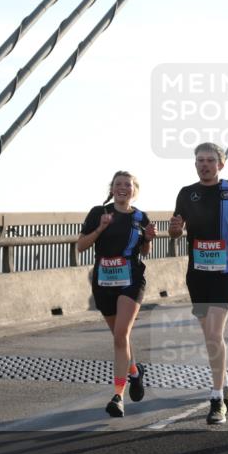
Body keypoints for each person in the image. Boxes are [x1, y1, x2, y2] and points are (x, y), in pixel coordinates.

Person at [170, 142, 228, 425]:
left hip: (226, 272)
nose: (204, 164)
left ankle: (217, 398)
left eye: (210, 160)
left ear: (221, 164)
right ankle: (227, 379)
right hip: (197, 273)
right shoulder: (186, 193)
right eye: (199, 160)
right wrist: (173, 230)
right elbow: (176, 229)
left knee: (213, 334)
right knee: (210, 339)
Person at [77, 171, 156, 418]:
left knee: (121, 334)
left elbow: (145, 251)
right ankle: (135, 372)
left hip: (131, 280)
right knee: (120, 337)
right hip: (103, 281)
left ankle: (118, 396)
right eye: (118, 184)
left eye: (128, 185)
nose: (123, 188)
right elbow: (81, 246)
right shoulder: (98, 213)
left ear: (135, 190)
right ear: (112, 189)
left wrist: (149, 239)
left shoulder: (141, 218)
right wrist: (100, 228)